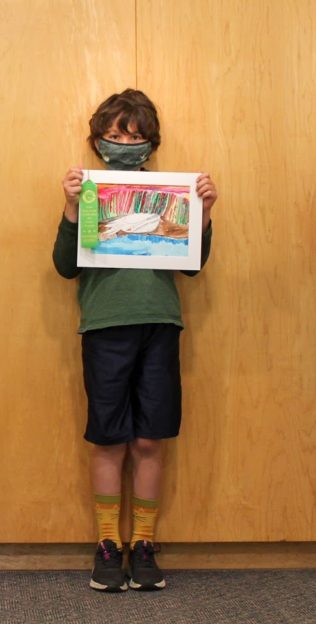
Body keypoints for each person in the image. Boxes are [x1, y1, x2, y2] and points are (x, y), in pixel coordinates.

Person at [52, 89, 217, 592]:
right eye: (116, 134)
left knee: (150, 438)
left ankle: (143, 543)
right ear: (98, 140)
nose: (125, 142)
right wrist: (71, 209)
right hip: (104, 326)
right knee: (108, 437)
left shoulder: (170, 191)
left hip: (160, 323)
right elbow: (64, 266)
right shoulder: (89, 194)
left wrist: (204, 212)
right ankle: (107, 544)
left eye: (136, 135)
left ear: (151, 143)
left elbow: (191, 264)